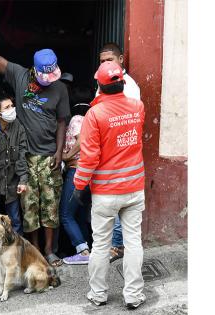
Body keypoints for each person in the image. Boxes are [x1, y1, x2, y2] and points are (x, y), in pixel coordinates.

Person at [0, 4, 71, 267]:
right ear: (35, 69)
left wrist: (59, 153)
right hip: (24, 160)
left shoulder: (59, 90)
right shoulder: (19, 75)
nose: (49, 79)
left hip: (48, 158)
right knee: (29, 210)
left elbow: (61, 122)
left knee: (50, 208)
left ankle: (50, 251)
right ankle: (34, 251)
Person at [73, 61, 146, 309]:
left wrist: (78, 185)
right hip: (134, 189)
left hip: (106, 192)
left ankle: (98, 294)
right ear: (122, 83)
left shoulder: (95, 115)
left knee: (101, 244)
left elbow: (90, 156)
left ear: (100, 86)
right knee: (133, 242)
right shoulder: (138, 107)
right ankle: (134, 296)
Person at [97, 42, 141, 263]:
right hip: (111, 161)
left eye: (109, 60)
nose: (105, 64)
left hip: (120, 159)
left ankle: (115, 245)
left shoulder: (130, 87)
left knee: (117, 206)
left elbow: (130, 123)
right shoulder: (101, 80)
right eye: (102, 61)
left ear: (121, 59)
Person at [0, 93, 28, 235]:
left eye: (12, 106)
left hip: (12, 181)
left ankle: (15, 253)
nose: (12, 109)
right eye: (7, 107)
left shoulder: (18, 126)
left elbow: (22, 154)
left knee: (14, 220)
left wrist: (23, 180)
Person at [60, 100, 93, 265]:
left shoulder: (77, 119)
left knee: (66, 215)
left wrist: (66, 156)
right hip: (89, 172)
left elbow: (80, 141)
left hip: (76, 170)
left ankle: (83, 251)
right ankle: (88, 248)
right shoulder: (92, 121)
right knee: (79, 214)